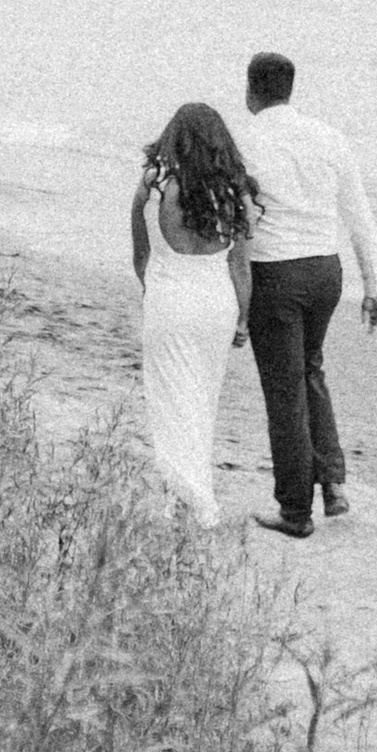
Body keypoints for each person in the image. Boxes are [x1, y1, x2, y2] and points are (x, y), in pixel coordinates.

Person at [231, 51, 377, 538]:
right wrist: (372, 286)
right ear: (291, 90)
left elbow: (236, 218)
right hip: (325, 271)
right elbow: (358, 215)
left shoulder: (246, 140)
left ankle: (295, 510)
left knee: (284, 390)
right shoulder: (328, 137)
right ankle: (333, 483)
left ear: (251, 91)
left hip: (276, 273)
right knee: (310, 370)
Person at [130, 101, 258, 531]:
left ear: (172, 139)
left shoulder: (153, 185)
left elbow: (142, 255)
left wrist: (156, 295)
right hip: (216, 304)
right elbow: (240, 265)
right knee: (203, 399)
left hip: (169, 299)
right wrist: (243, 319)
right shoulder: (232, 194)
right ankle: (192, 496)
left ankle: (186, 497)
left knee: (169, 401)